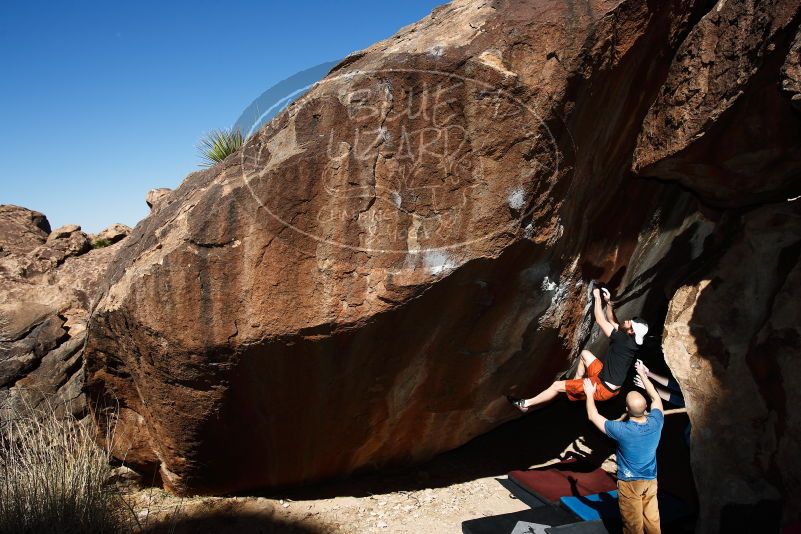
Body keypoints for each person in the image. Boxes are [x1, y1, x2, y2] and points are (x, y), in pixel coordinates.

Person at [509, 286, 649, 411]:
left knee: (557, 385)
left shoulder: (622, 340)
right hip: (606, 379)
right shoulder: (630, 340)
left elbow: (601, 320)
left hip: (603, 388)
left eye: (630, 322)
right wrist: (608, 302)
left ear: (631, 332)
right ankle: (574, 391)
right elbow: (613, 321)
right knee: (585, 354)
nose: (627, 320)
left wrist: (596, 297)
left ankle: (526, 404)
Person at [584, 361, 664, 534]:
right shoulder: (657, 421)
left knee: (633, 525)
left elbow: (592, 415)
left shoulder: (621, 430)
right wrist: (643, 374)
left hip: (630, 483)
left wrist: (589, 393)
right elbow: (656, 398)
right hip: (650, 480)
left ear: (627, 409)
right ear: (646, 409)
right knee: (653, 520)